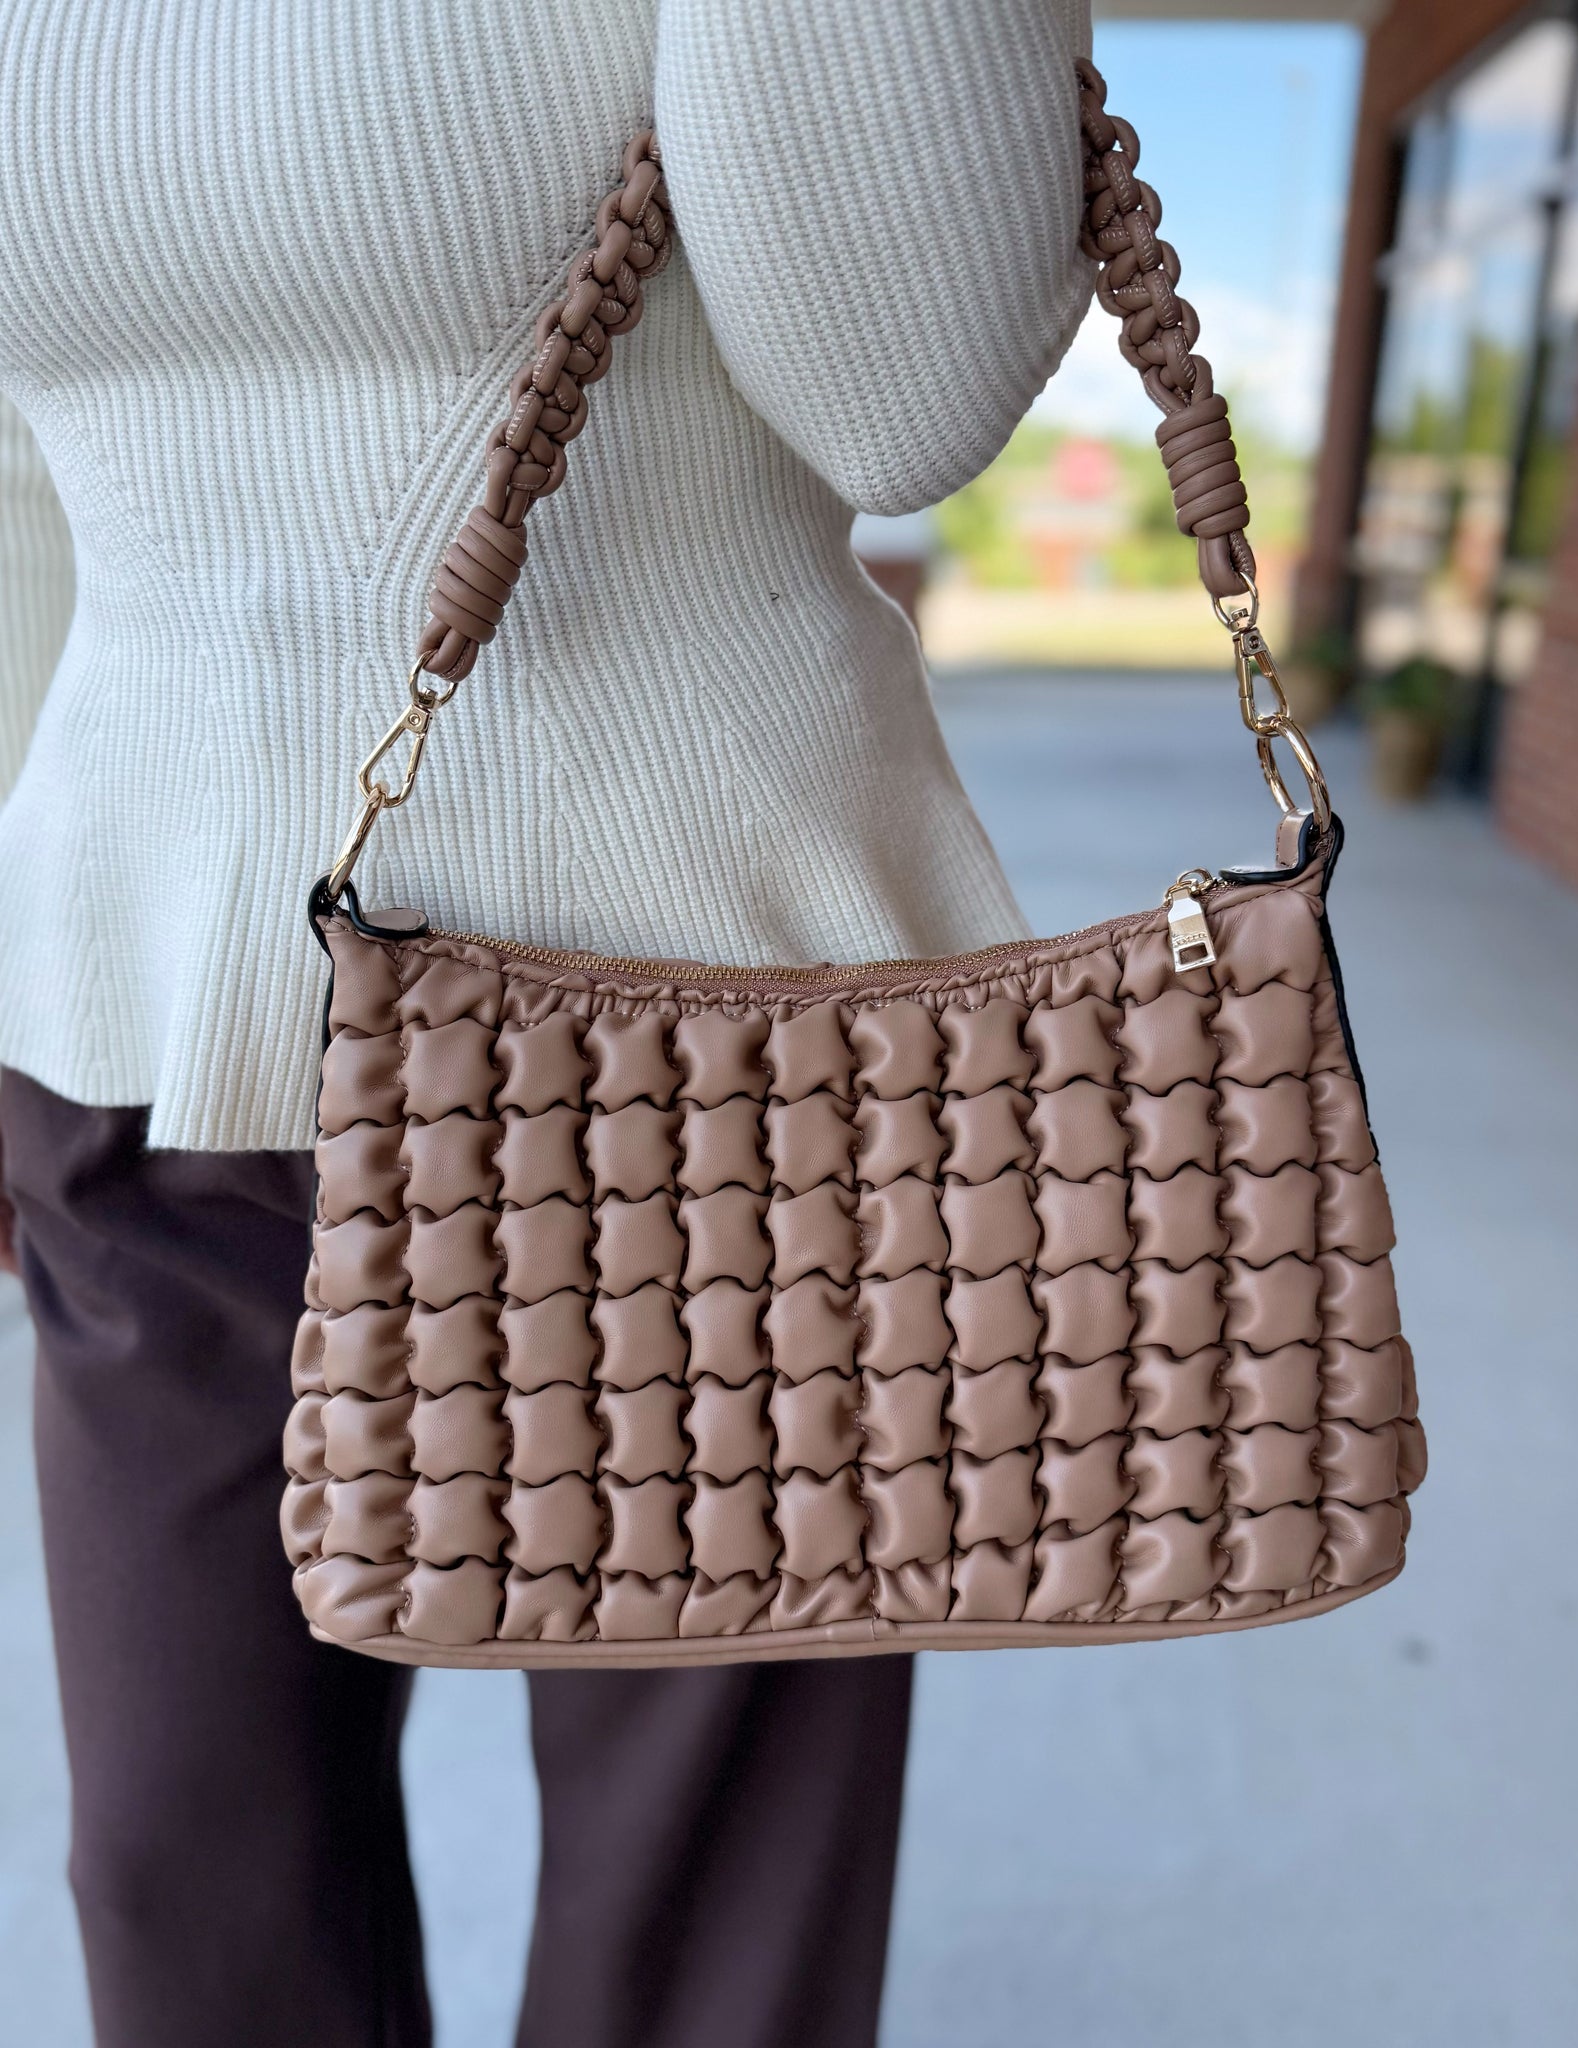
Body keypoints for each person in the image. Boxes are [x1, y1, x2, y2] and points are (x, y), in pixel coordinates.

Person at [0, 4, 1092, 2043]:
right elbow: (19, 463)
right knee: (182, 1885)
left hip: (707, 1070)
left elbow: (904, 398)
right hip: (133, 1042)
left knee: (699, 1955)